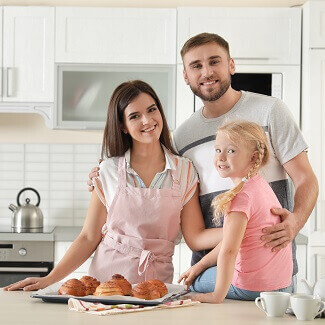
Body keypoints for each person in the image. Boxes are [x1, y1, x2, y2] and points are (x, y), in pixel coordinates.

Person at [87, 33, 318, 292]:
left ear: (231, 65)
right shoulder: (183, 136)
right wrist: (103, 177)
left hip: (268, 265)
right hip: (209, 273)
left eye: (214, 61)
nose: (206, 72)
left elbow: (306, 179)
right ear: (186, 75)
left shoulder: (271, 111)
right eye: (196, 66)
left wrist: (294, 222)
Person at [3, 80, 219, 291]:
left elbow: (195, 237)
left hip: (155, 286)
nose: (147, 120)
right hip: (106, 284)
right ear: (123, 126)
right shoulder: (108, 171)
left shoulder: (185, 170)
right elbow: (89, 236)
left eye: (152, 110)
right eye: (135, 116)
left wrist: (243, 229)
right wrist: (49, 279)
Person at [178, 120, 293, 303]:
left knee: (195, 283)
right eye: (218, 150)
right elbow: (230, 242)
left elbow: (229, 251)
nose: (221, 157)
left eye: (231, 151)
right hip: (281, 285)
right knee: (199, 270)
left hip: (252, 288)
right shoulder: (260, 186)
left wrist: (217, 295)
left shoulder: (240, 198)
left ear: (253, 157)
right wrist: (200, 265)